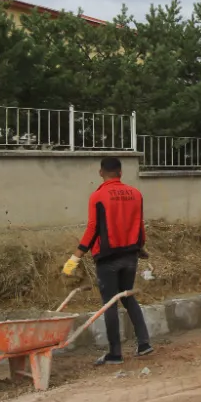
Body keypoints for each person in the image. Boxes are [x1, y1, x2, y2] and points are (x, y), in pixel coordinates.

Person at [63, 157, 153, 366]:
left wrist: (74, 259)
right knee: (127, 296)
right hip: (131, 255)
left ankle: (115, 353)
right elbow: (140, 227)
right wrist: (140, 248)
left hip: (108, 259)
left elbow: (93, 229)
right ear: (120, 173)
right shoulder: (136, 194)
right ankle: (144, 343)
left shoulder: (98, 196)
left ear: (101, 172)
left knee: (110, 303)